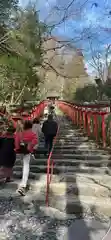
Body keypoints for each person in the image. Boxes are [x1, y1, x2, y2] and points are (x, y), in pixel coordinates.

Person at [15, 120, 38, 196]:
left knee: (23, 164)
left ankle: (23, 183)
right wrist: (29, 147)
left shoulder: (20, 133)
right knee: (26, 165)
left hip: (20, 151)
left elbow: (16, 142)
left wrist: (17, 149)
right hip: (27, 152)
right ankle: (23, 184)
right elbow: (35, 141)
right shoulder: (32, 133)